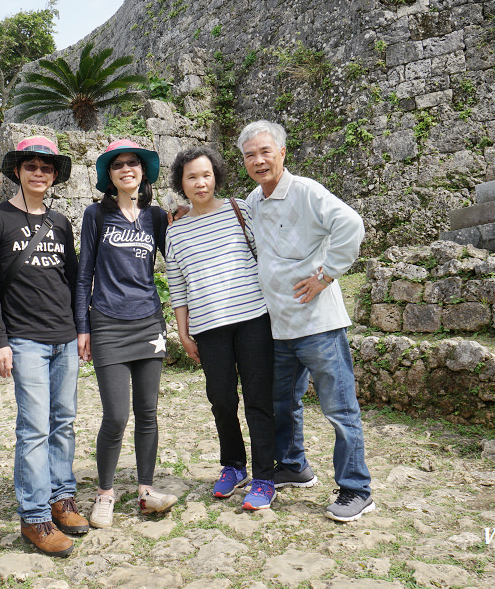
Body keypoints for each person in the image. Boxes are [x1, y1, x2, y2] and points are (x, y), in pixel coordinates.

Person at [237, 119, 373, 522]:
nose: (258, 161)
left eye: (265, 152)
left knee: (339, 408)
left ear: (282, 152)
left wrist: (326, 274)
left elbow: (351, 224)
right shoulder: (253, 201)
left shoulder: (307, 191)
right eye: (250, 155)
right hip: (278, 326)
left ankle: (356, 488)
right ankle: (294, 465)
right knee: (283, 404)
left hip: (319, 324)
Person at [0, 136, 86, 557]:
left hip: (64, 338)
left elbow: (72, 279)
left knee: (64, 422)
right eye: (31, 166)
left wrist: (81, 329)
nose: (39, 173)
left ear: (54, 175)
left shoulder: (60, 222)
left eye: (47, 167)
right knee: (34, 428)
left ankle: (62, 499)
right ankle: (35, 516)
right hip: (24, 339)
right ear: (18, 172)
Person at [164, 146, 276, 511]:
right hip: (209, 328)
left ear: (217, 176)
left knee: (259, 399)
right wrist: (183, 332)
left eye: (206, 175)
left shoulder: (239, 209)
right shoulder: (176, 232)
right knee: (222, 400)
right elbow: (178, 287)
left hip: (253, 319)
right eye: (192, 177)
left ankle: (263, 477)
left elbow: (264, 254)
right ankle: (233, 465)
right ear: (181, 183)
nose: (200, 183)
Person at [76, 140, 178, 528]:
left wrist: (184, 217)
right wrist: (82, 326)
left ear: (143, 171)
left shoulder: (156, 218)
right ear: (109, 175)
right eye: (117, 165)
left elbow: (178, 258)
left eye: (132, 162)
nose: (126, 168)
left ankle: (146, 490)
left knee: (147, 413)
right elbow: (84, 273)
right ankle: (104, 493)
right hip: (107, 324)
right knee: (116, 416)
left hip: (149, 323)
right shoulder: (95, 215)